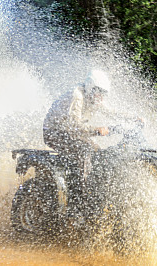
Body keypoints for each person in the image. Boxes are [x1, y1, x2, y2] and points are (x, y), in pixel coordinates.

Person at [43, 69, 116, 222]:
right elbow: (74, 127)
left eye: (103, 93)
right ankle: (77, 205)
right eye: (98, 92)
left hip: (70, 133)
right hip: (53, 132)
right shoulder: (77, 95)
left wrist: (134, 118)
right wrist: (97, 130)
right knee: (84, 151)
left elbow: (112, 113)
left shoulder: (95, 99)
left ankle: (92, 192)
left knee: (98, 152)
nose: (100, 96)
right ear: (91, 87)